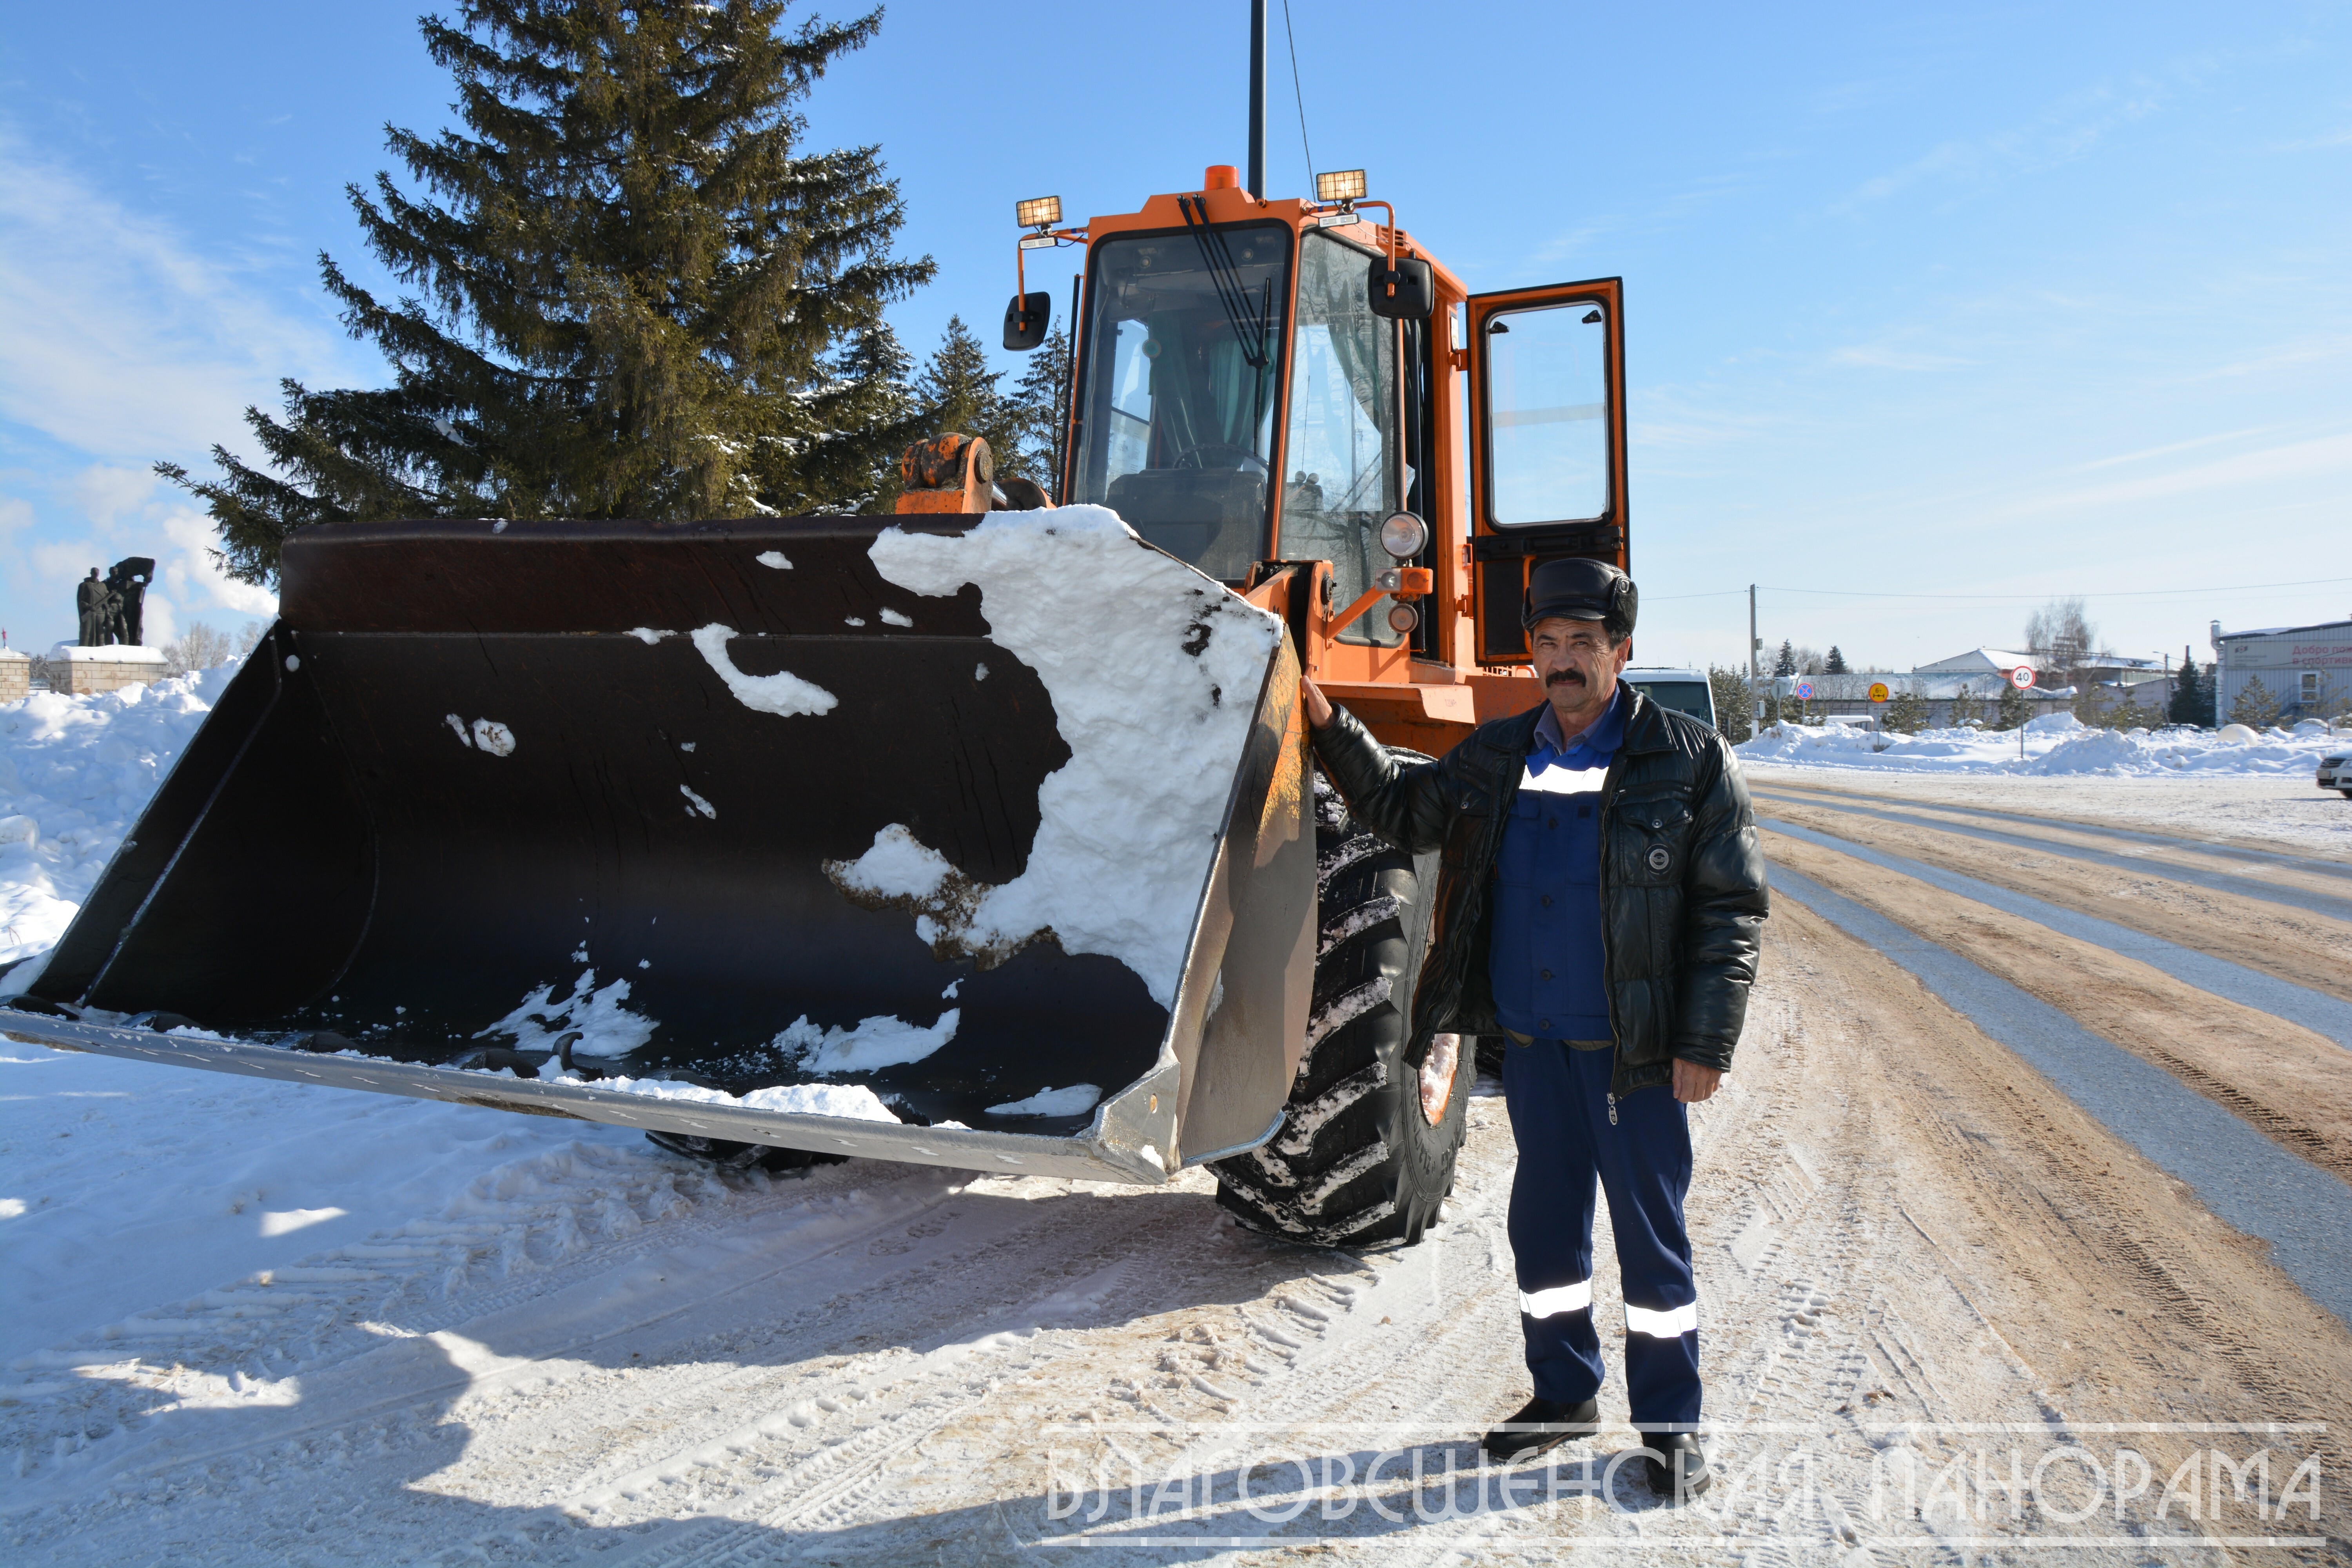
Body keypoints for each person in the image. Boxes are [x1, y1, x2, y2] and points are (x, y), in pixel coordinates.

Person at [1299, 556, 1768, 1501]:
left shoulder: (1685, 759)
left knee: (1651, 1244)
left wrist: (1704, 1043)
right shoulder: (1500, 749)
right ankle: (1564, 1393)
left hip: (1632, 1058)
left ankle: (1673, 1429)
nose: (1563, 662)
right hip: (1534, 1047)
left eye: (1583, 645)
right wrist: (1328, 727)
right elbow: (1401, 810)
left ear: (1620, 651)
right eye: (1548, 644)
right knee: (1544, 1235)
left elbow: (1731, 910)